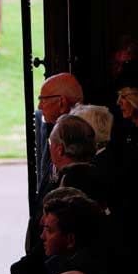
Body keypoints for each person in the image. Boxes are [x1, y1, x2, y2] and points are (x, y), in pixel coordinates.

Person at [35, 73, 84, 203]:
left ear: (62, 102)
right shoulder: (53, 127)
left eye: (43, 99)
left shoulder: (78, 138)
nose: (39, 106)